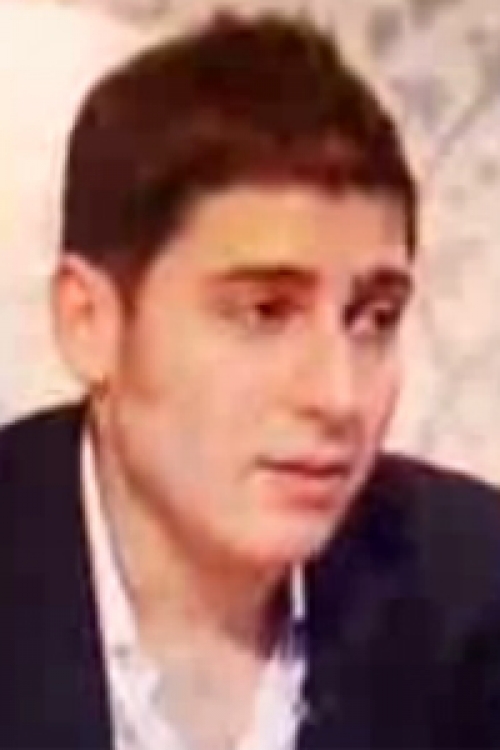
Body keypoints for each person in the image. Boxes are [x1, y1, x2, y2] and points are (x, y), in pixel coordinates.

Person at [1, 10, 499, 750]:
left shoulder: (476, 584)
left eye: (374, 318)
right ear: (89, 323)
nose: (337, 396)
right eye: (265, 312)